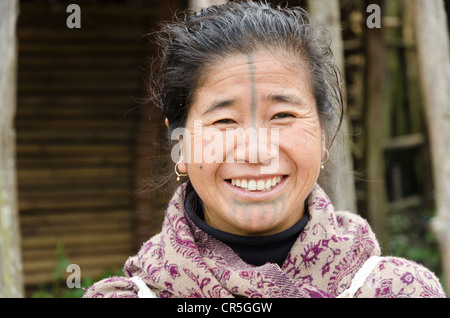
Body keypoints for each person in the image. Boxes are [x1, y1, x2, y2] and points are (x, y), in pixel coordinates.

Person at [83, 1, 446, 298]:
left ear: (322, 137)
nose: (255, 151)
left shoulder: (398, 291)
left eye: (283, 115)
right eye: (224, 121)